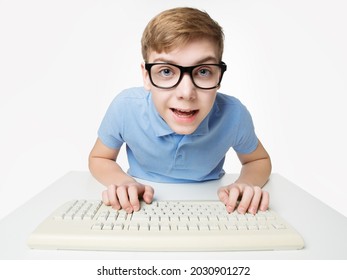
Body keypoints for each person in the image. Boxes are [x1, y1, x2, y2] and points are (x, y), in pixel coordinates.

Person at [89, 7, 271, 215]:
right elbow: (99, 158)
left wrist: (245, 184)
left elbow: (258, 160)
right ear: (147, 77)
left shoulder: (233, 114)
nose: (186, 93)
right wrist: (122, 182)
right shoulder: (125, 107)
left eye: (203, 71)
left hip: (213, 206)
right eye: (166, 71)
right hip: (140, 206)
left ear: (219, 76)